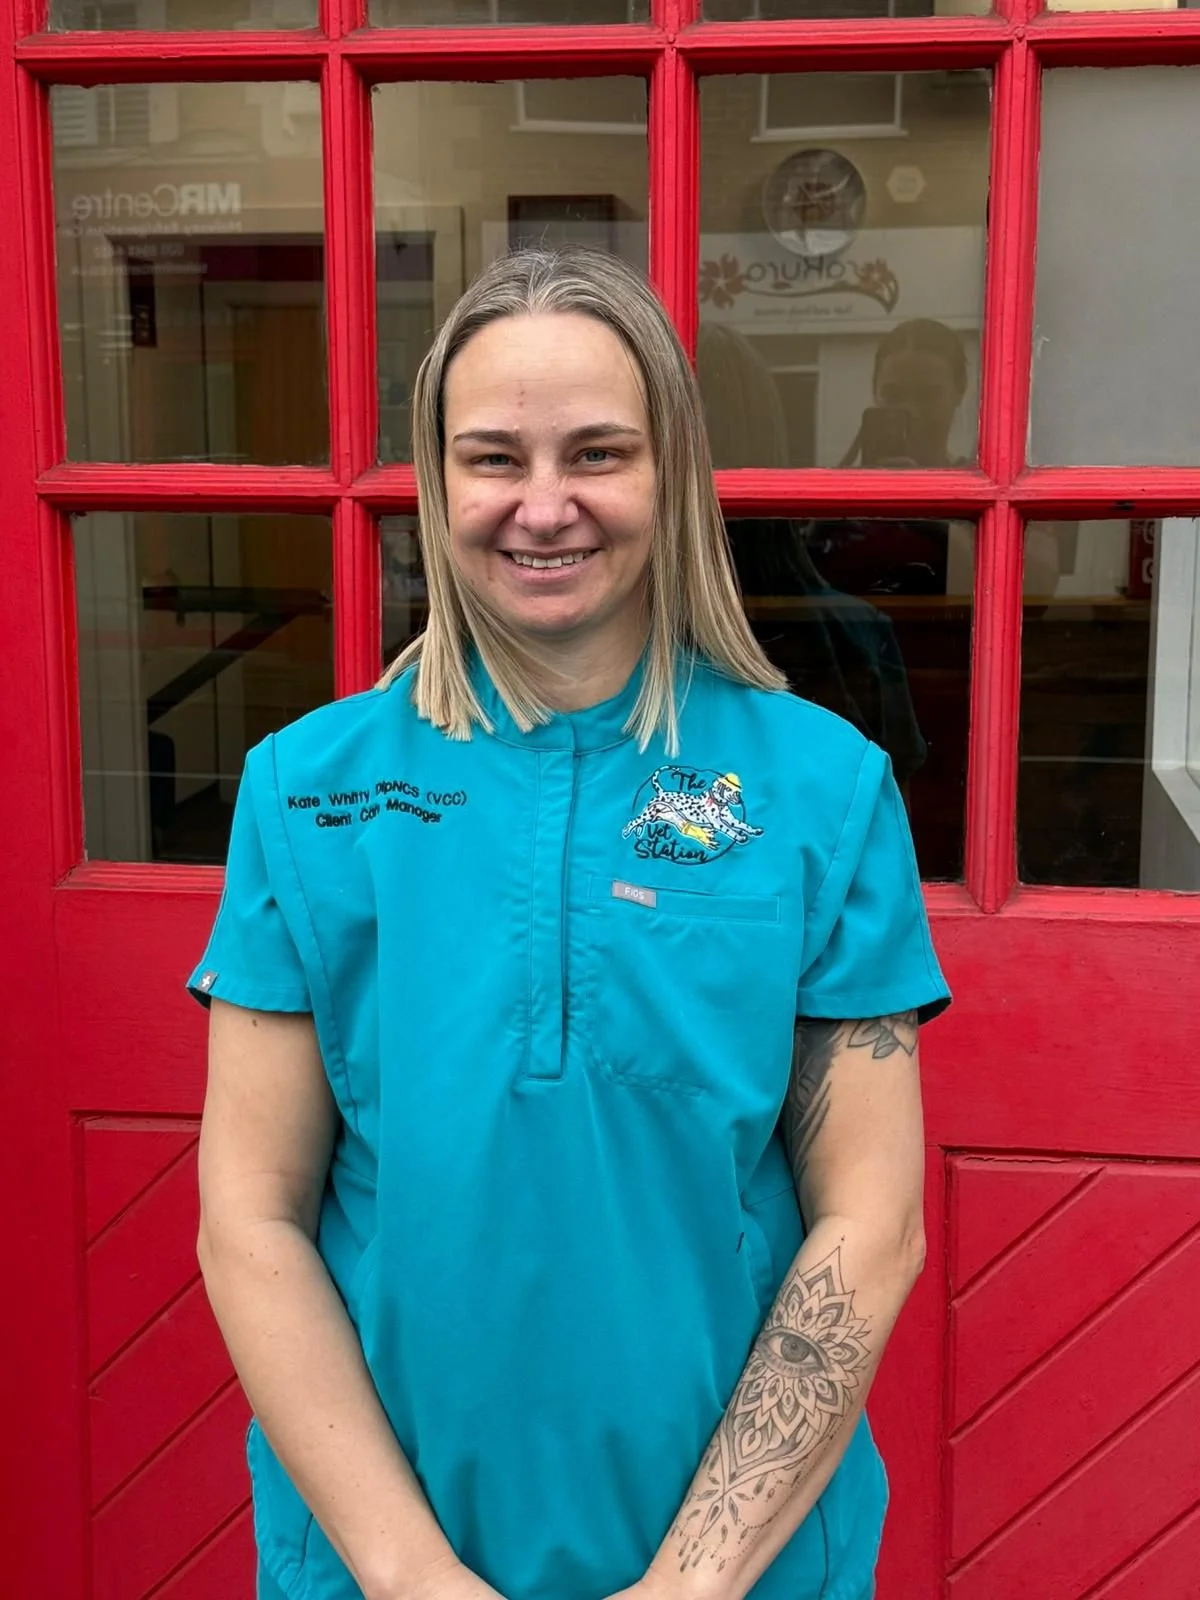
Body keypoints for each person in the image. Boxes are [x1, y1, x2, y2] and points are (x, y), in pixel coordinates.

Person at [191, 247, 951, 1600]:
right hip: (378, 1556)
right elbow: (250, 1217)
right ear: (439, 484)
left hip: (748, 1565)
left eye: (598, 452)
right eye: (493, 458)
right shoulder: (306, 791)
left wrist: (692, 1584)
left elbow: (871, 1222)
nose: (544, 507)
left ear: (672, 474)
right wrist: (414, 1578)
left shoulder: (819, 788)